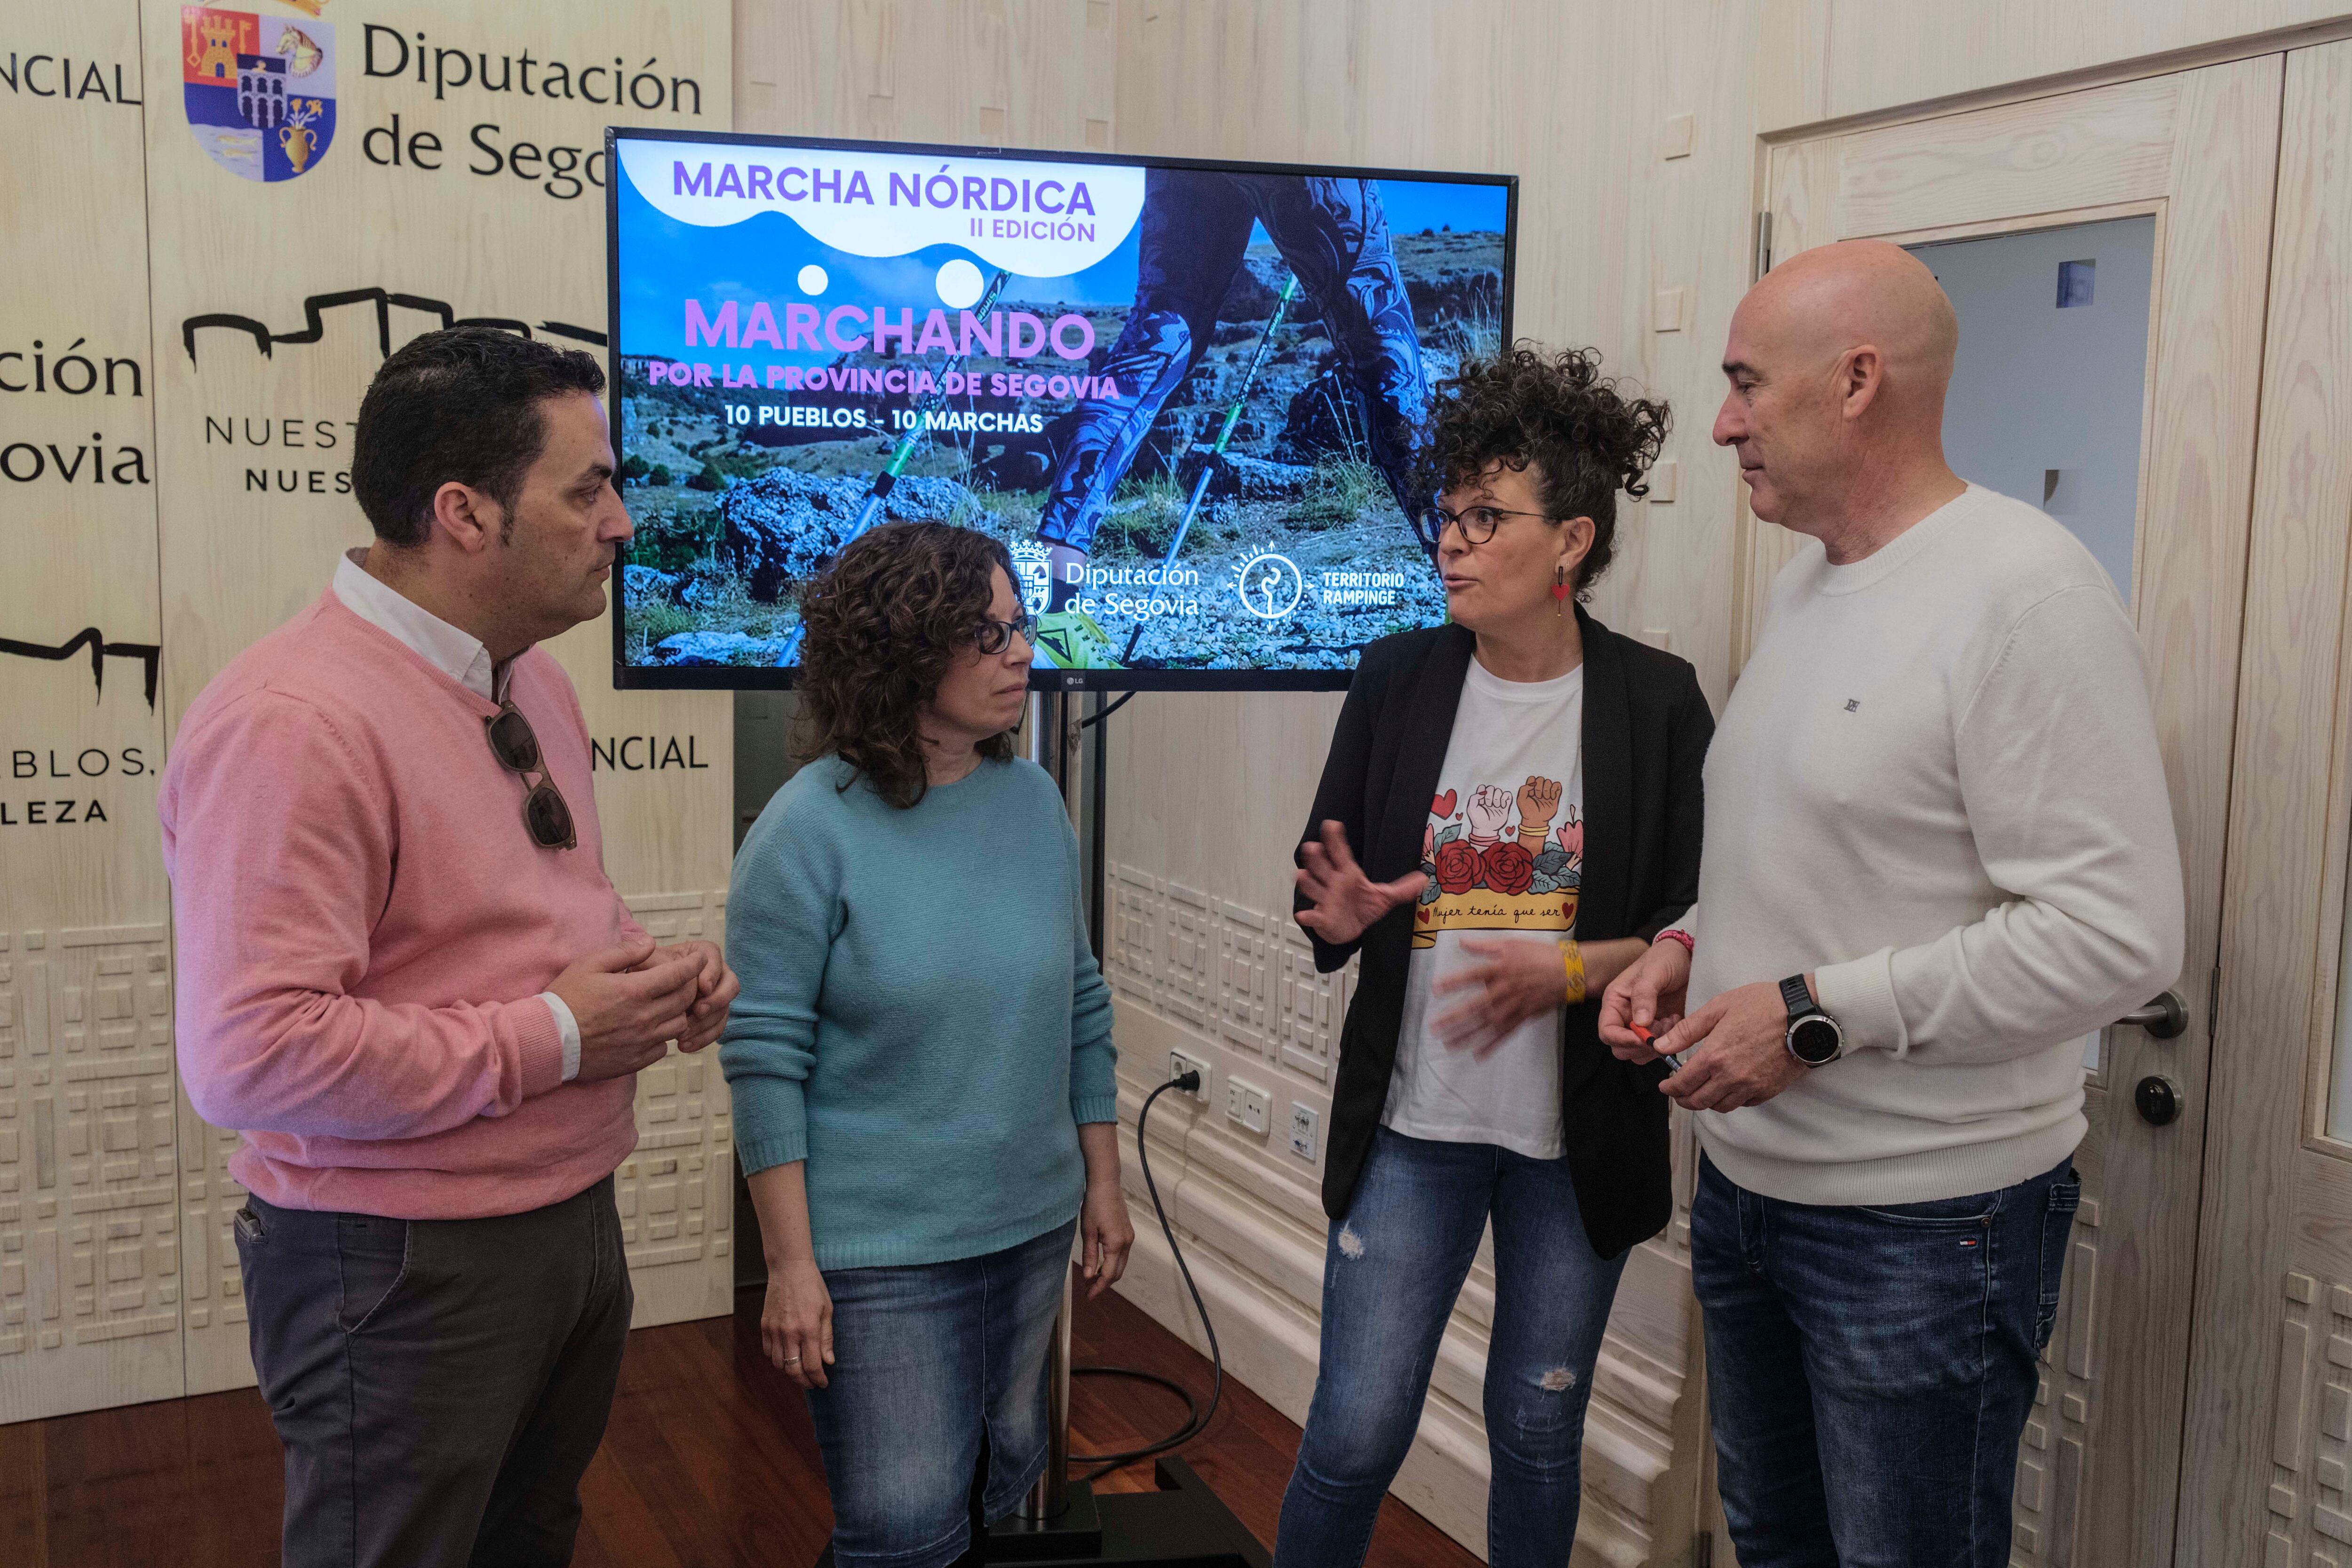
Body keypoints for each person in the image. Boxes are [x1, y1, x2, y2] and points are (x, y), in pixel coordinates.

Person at [1600, 240, 2185, 1567]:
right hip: (1753, 1197)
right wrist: (1694, 946)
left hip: (1924, 1228)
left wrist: (1810, 1015)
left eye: (1747, 382)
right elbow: (1817, 845)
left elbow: (2119, 934)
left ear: (1857, 380)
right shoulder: (1812, 580)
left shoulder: (2025, 596)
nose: (1724, 420)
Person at [160, 326, 739, 1568]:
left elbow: (537, 919)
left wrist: (646, 972)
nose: (624, 522)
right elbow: (249, 1057)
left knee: (526, 1537)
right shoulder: (294, 722)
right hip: (397, 1261)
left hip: (565, 1219)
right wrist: (567, 1032)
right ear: (465, 513)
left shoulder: (530, 681)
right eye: (589, 489)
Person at [1276, 347, 1710, 1568]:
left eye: (1486, 518)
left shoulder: (1657, 702)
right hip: (1414, 1124)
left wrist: (1567, 972)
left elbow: (1704, 923)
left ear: (1571, 539)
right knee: (1355, 1432)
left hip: (1577, 1143)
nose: (1451, 543)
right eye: (1447, 514)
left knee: (1534, 1426)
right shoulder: (1400, 678)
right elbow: (1324, 893)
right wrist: (1346, 912)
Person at [723, 522, 1134, 1568]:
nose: (1020, 651)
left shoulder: (1035, 802)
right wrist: (791, 1265)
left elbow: (1080, 1004)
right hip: (882, 1254)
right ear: (902, 650)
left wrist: (1102, 1178)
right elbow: (764, 1057)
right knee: (903, 1528)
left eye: (1020, 622)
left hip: (1029, 1223)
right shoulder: (807, 828)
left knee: (995, 1481)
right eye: (984, 632)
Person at [1029, 167, 1432, 669]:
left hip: (1188, 150)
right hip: (1307, 149)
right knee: (1380, 345)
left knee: (1154, 344)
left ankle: (1058, 618)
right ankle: (1467, 595)